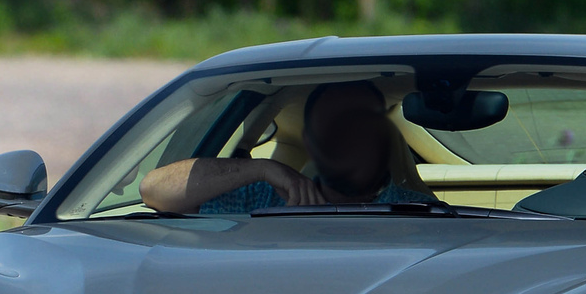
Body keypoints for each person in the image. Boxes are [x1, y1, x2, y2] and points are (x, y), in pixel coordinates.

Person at [140, 81, 437, 214]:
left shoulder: (425, 215)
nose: (349, 139)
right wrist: (261, 168)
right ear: (311, 141)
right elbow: (154, 190)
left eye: (360, 125)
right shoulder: (262, 199)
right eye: (335, 129)